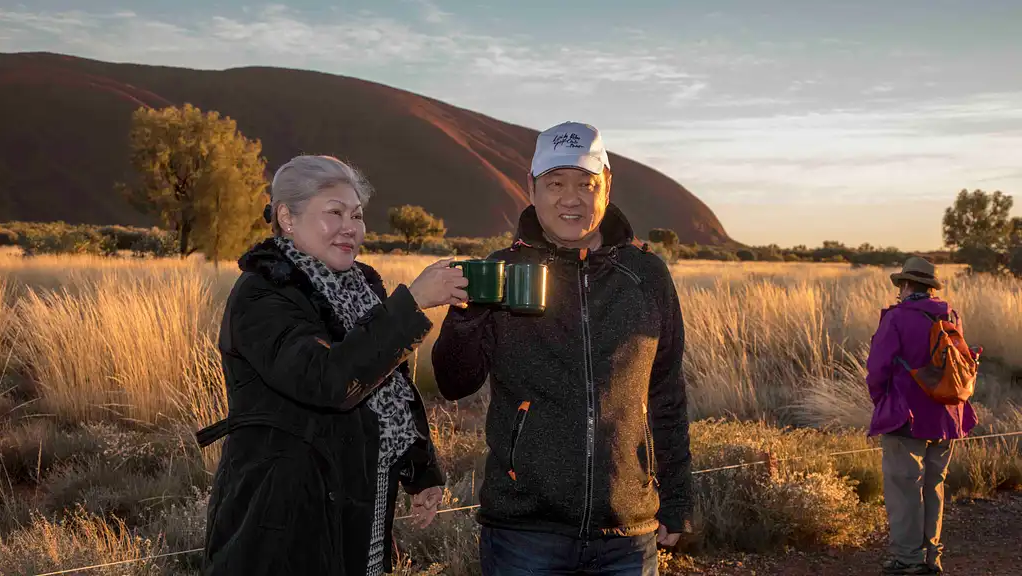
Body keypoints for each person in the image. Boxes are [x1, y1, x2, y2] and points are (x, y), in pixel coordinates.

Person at [432, 121, 693, 575]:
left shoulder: (647, 276)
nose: (570, 198)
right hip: (524, 532)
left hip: (627, 535)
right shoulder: (501, 271)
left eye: (585, 184)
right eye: (555, 183)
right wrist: (466, 315)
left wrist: (678, 499)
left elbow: (666, 394)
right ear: (532, 188)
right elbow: (455, 383)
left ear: (606, 188)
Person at [196, 155, 468, 576]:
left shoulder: (360, 287)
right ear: (287, 217)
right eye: (334, 213)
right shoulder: (264, 295)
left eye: (357, 215)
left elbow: (386, 384)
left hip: (358, 510)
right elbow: (329, 380)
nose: (350, 227)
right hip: (282, 525)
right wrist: (410, 305)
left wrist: (420, 468)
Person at [866, 256, 978, 576]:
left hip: (906, 416)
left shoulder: (897, 318)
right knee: (934, 485)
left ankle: (908, 559)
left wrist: (881, 402)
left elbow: (877, 370)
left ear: (906, 284)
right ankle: (931, 557)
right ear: (930, 287)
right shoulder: (950, 315)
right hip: (947, 414)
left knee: (904, 489)